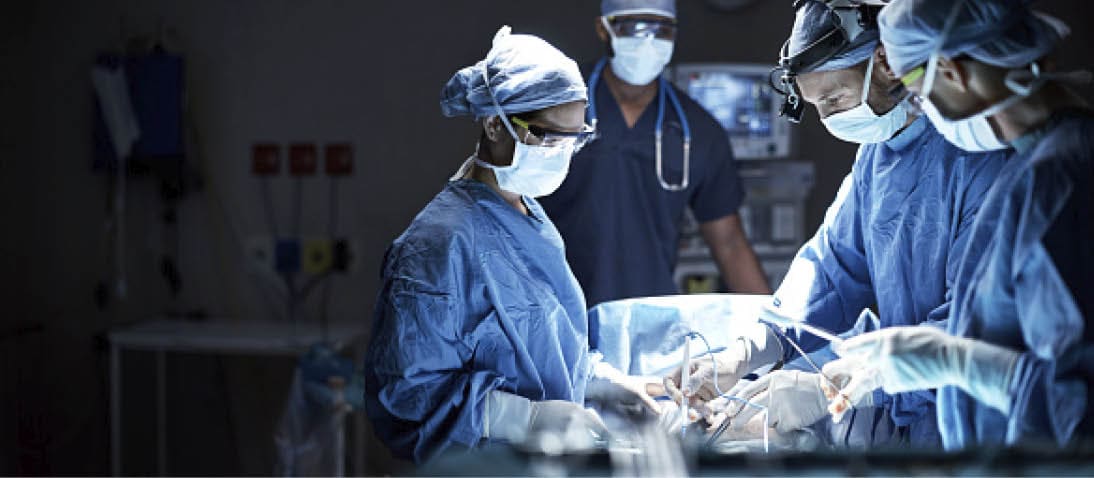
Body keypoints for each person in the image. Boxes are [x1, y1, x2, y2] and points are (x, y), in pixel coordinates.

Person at [672, 0, 1008, 449]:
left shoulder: (978, 159)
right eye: (816, 105)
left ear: (885, 64)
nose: (828, 118)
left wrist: (831, 384)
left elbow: (973, 331)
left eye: (834, 98)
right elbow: (831, 270)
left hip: (976, 428)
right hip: (905, 424)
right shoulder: (878, 156)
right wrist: (752, 348)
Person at [363, 27, 653, 463]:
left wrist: (602, 383)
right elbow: (407, 397)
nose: (561, 153)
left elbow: (545, 349)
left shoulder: (529, 217)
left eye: (574, 139)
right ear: (495, 123)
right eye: (549, 137)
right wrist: (524, 420)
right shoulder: (437, 245)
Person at [822, 0, 1093, 450]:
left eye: (917, 94)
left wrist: (956, 362)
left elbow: (1078, 401)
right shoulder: (1043, 167)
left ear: (950, 72)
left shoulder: (1055, 182)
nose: (922, 110)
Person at [539, 0, 770, 309]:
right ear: (603, 29)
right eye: (633, 27)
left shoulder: (697, 130)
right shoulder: (553, 107)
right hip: (551, 310)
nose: (647, 41)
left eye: (661, 30)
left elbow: (729, 243)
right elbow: (504, 208)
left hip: (646, 318)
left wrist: (778, 332)